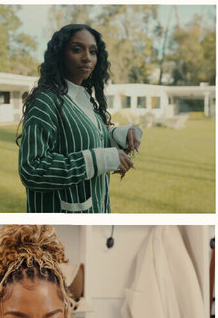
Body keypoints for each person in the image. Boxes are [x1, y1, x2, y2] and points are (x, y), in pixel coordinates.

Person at [18, 24, 142, 213]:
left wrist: (119, 136)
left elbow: (83, 143)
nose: (87, 58)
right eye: (77, 49)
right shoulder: (45, 101)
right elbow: (32, 170)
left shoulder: (84, 99)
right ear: (60, 54)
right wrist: (102, 159)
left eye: (93, 52)